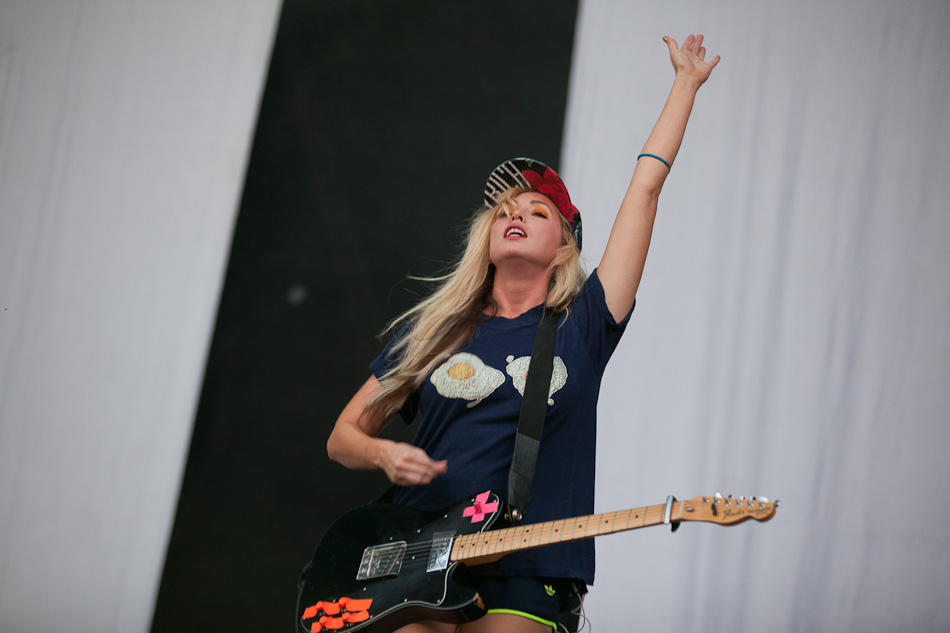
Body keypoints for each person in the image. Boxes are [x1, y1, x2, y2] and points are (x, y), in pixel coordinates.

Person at [327, 34, 719, 633]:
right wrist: (384, 454)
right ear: (485, 237)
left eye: (538, 212)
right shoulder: (432, 332)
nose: (516, 214)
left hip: (530, 566)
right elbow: (342, 437)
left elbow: (644, 192)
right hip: (423, 561)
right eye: (506, 210)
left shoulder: (584, 323)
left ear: (563, 245)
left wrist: (684, 86)